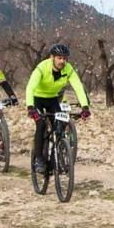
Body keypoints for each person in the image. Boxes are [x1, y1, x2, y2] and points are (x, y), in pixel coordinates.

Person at [25, 44, 91, 173]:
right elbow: (30, 87)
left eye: (65, 58)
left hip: (52, 99)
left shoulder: (68, 69)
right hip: (37, 98)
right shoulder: (42, 67)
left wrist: (85, 107)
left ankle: (57, 156)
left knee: (61, 123)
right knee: (41, 125)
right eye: (59, 58)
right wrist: (30, 107)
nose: (62, 61)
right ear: (52, 57)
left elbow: (78, 86)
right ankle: (38, 158)